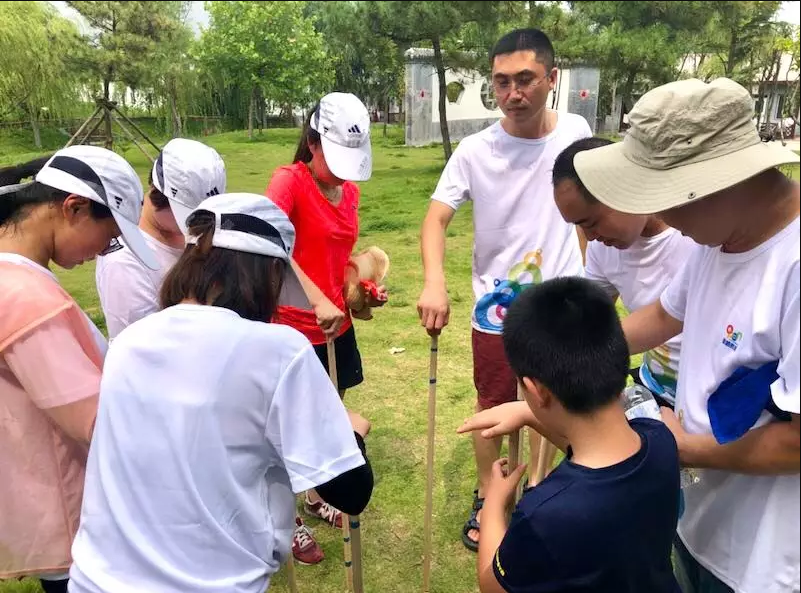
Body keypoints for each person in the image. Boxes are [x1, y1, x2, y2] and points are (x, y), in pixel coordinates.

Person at [68, 193, 374, 593]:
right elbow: (350, 491)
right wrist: (351, 432)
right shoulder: (279, 351)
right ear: (268, 275)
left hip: (96, 578)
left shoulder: (130, 341)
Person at [573, 77, 799, 593]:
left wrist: (685, 448)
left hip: (765, 559)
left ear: (716, 183)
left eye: (665, 199)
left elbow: (796, 442)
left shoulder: (791, 265)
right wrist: (574, 355)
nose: (663, 218)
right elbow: (663, 315)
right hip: (703, 521)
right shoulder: (718, 241)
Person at [416, 28, 591, 551]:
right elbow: (435, 218)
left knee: (550, 402)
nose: (513, 93)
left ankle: (538, 488)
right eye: (501, 82)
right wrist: (434, 282)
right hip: (496, 308)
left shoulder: (576, 131)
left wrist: (595, 277)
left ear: (552, 79)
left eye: (525, 79)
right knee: (494, 403)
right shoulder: (475, 151)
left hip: (559, 303)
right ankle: (490, 493)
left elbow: (588, 211)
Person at [457, 277, 681, 593]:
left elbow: (492, 585)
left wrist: (493, 504)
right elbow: (600, 455)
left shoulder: (545, 514)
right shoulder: (660, 440)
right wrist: (526, 414)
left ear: (536, 390)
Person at [0, 146, 156, 593]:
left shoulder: (18, 278)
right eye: (110, 237)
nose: (104, 251)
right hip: (70, 514)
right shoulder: (28, 301)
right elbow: (96, 422)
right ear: (74, 208)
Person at [265, 92, 384, 563]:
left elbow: (339, 256)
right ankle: (287, 517)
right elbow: (268, 246)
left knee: (329, 416)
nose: (342, 171)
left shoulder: (349, 191)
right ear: (313, 142)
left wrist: (360, 288)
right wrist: (315, 298)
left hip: (335, 328)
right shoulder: (289, 182)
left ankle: (316, 496)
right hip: (292, 326)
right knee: (287, 427)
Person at [552, 137, 697, 407]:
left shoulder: (697, 237)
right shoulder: (603, 248)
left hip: (714, 401)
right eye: (579, 226)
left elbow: (663, 317)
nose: (590, 237)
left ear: (625, 189)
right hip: (655, 390)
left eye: (591, 222)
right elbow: (591, 319)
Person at [96, 138, 226, 339]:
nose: (195, 227)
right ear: (158, 196)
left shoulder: (191, 234)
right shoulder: (124, 261)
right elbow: (140, 343)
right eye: (189, 216)